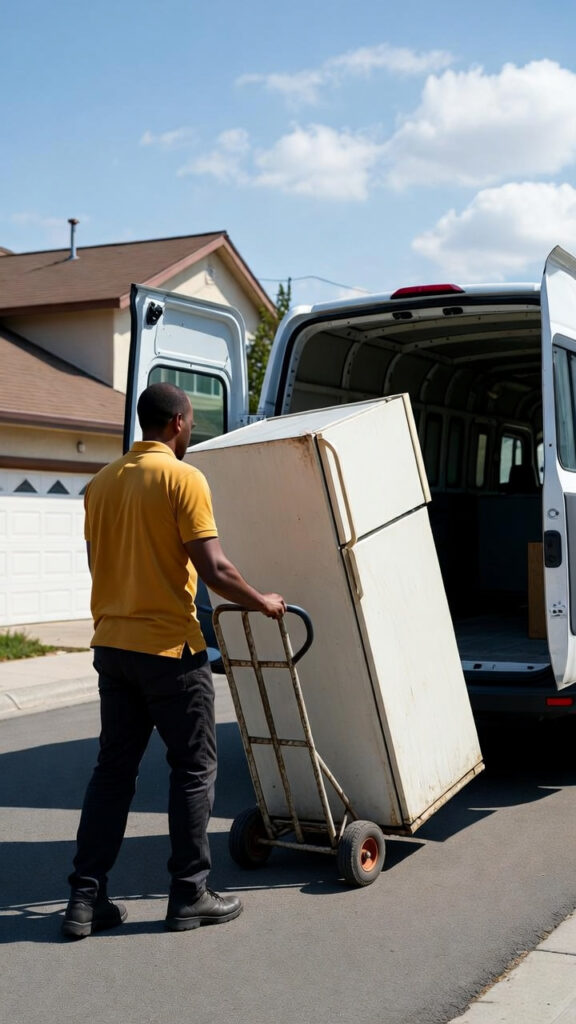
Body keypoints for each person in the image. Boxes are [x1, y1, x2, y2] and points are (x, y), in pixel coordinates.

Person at [62, 382, 286, 938]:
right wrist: (262, 601)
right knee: (193, 769)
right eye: (190, 423)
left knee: (112, 774)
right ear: (179, 422)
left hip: (112, 647)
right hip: (169, 652)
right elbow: (215, 569)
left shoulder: (100, 484)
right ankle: (189, 895)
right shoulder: (183, 478)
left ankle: (85, 901)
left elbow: (98, 564)